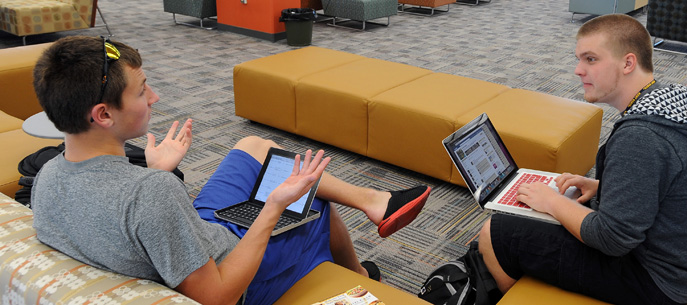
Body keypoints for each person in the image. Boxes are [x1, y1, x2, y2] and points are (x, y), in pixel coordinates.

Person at [30, 36, 432, 305]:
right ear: (102, 114)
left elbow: (127, 225)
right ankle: (362, 274)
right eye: (141, 90)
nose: (155, 96)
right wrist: (274, 207)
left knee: (253, 146)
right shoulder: (149, 193)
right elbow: (216, 297)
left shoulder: (47, 179)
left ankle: (376, 202)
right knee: (313, 205)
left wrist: (159, 172)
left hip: (193, 233)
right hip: (231, 274)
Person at [477, 14, 687, 305]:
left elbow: (612, 239)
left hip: (658, 281)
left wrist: (551, 201)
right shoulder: (666, 101)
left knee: (495, 232)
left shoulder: (642, 136)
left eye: (591, 59)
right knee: (552, 215)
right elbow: (666, 178)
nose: (577, 70)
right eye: (578, 59)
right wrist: (604, 186)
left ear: (627, 63)